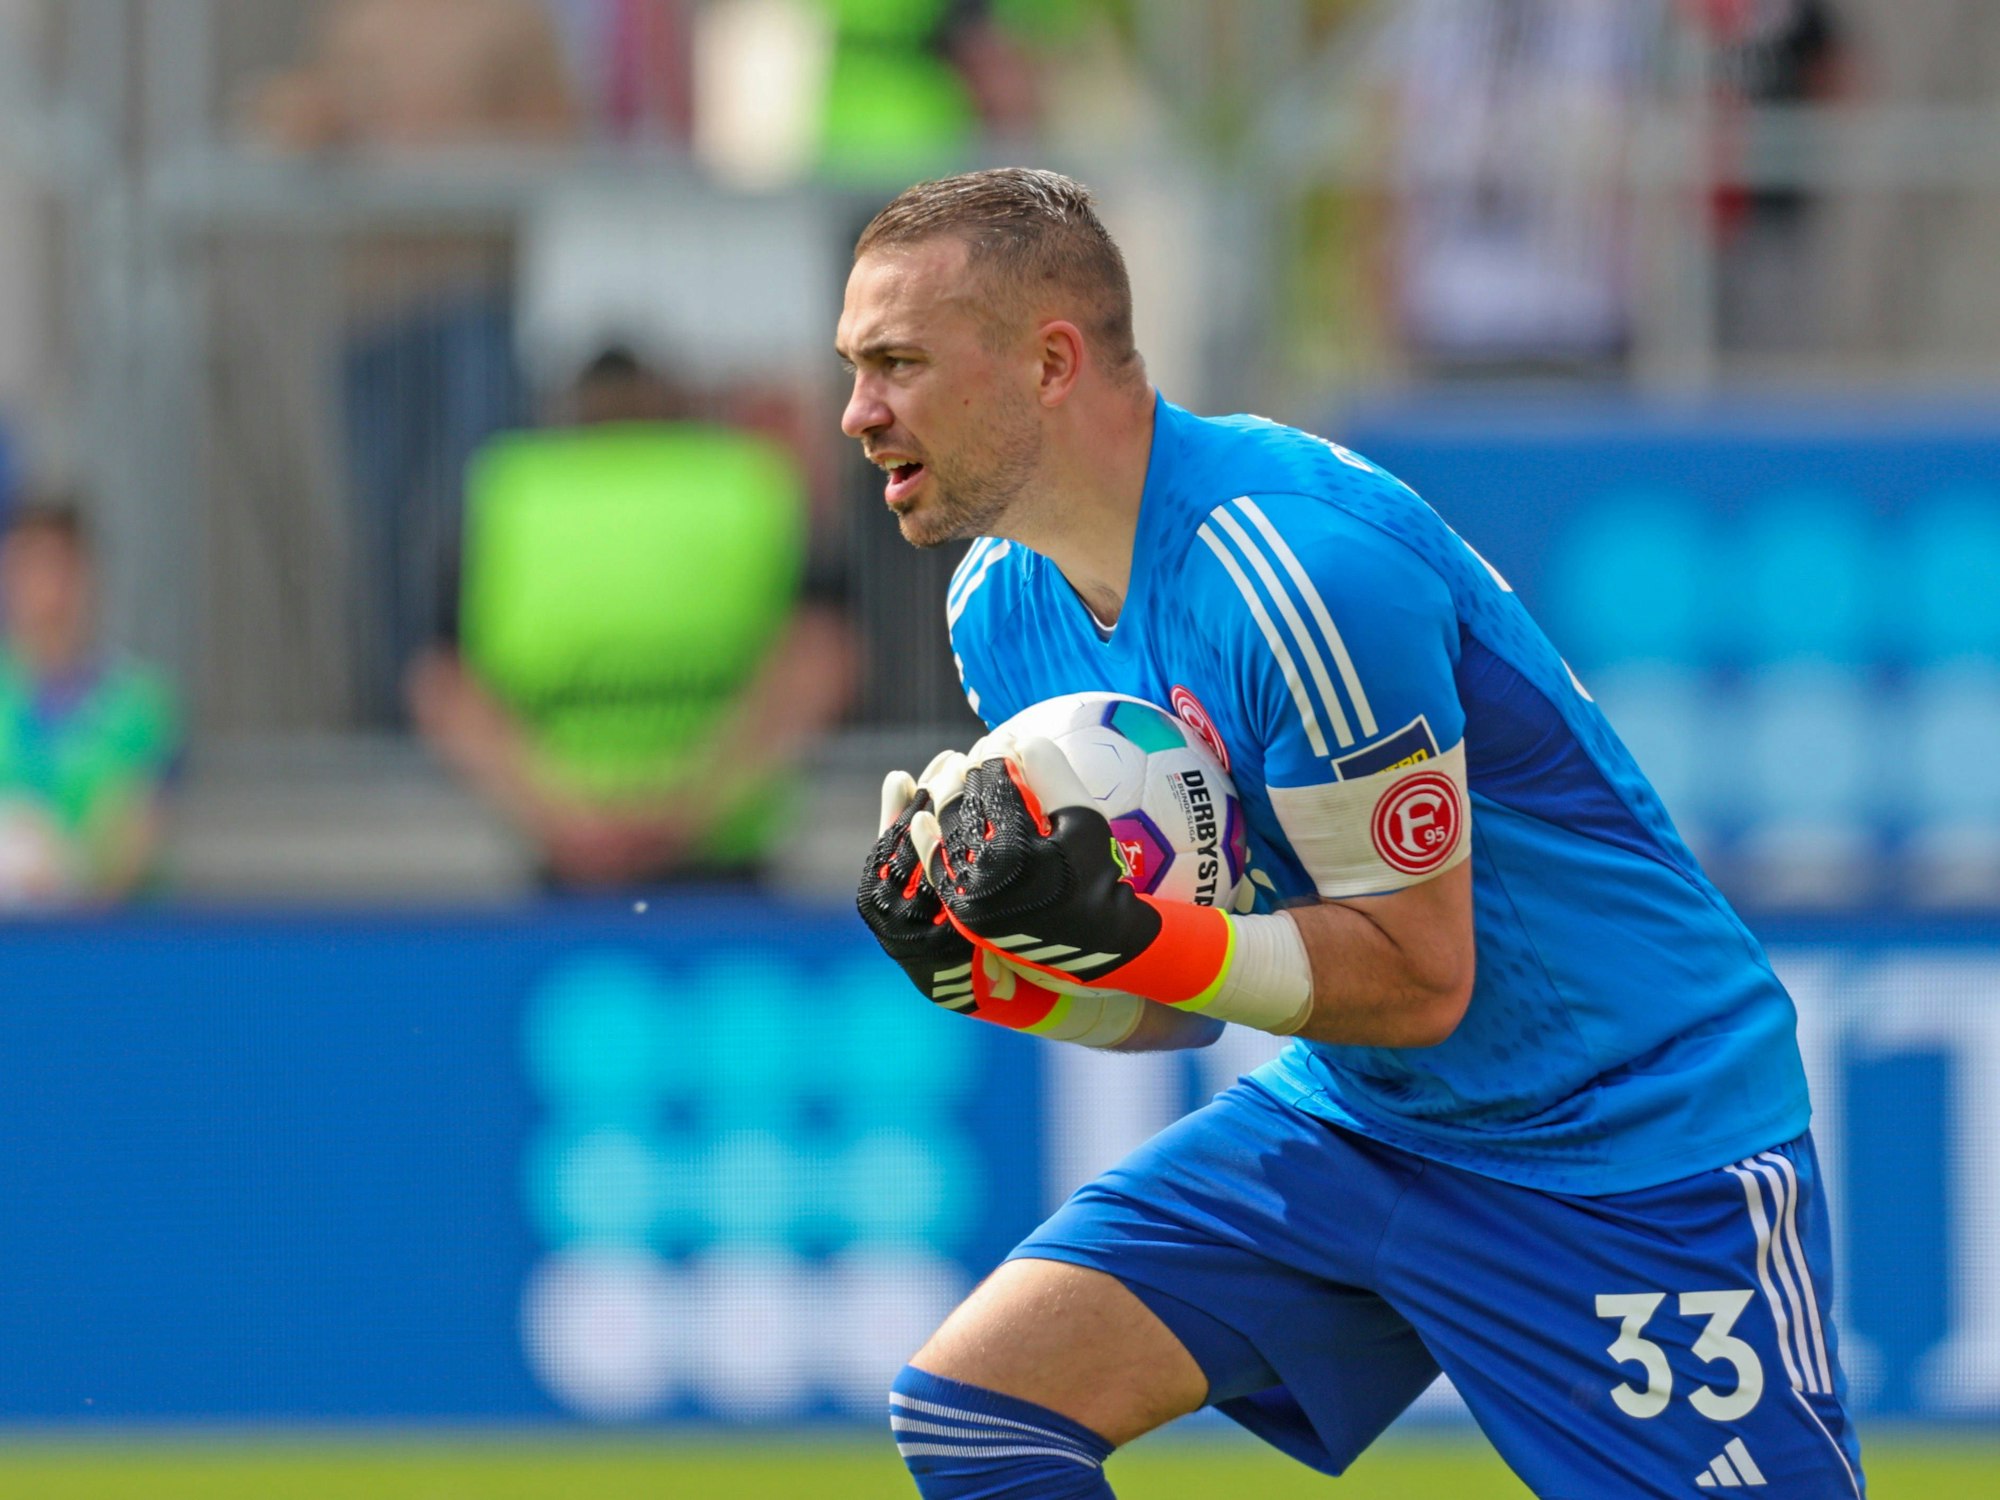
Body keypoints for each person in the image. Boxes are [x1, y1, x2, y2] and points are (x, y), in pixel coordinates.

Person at [844, 170, 1864, 1497]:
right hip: (1364, 1120)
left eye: (898, 365)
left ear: (1050, 361)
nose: (859, 415)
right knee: (979, 1419)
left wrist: (1134, 935)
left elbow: (1421, 977)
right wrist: (1000, 964)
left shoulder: (1298, 571)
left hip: (1625, 1140)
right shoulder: (1000, 609)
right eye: (856, 369)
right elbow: (1182, 1005)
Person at [408, 350, 856, 890]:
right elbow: (820, 658)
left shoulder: (509, 492)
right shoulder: (751, 481)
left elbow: (444, 684)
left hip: (566, 858)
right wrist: (692, 808)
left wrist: (559, 818)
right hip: (723, 859)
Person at [0, 500, 181, 905]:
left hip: (102, 951)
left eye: (59, 567)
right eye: (30, 567)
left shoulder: (139, 705)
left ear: (85, 576)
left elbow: (132, 846)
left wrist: (58, 878)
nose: (46, 589)